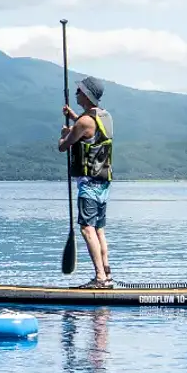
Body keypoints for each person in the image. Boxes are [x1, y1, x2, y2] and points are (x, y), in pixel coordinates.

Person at [58, 75, 114, 288]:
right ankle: (106, 274)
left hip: (89, 184)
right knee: (99, 229)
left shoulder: (83, 122)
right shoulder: (105, 117)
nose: (76, 94)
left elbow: (63, 146)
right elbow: (90, 128)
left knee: (87, 229)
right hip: (104, 183)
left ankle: (100, 278)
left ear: (87, 95)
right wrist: (74, 118)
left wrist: (64, 134)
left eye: (80, 91)